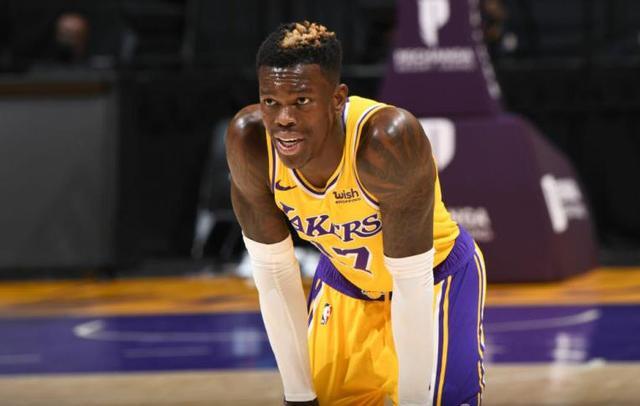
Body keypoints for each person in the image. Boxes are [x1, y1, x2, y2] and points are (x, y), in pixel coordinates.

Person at [226, 21, 487, 406]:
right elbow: (274, 273)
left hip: (433, 280)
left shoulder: (387, 141)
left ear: (337, 99)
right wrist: (298, 395)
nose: (283, 118)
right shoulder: (250, 143)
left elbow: (410, 282)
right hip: (345, 283)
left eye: (302, 101)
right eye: (271, 102)